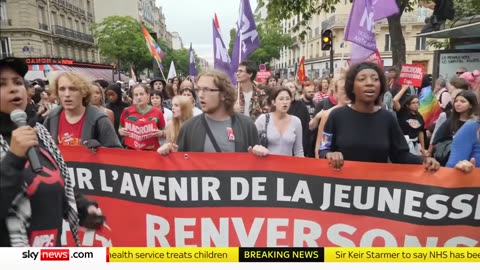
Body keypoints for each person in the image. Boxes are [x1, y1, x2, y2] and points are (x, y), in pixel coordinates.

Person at [0, 57, 103, 247]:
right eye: (2, 84)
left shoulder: (40, 134)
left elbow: (52, 185)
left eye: (17, 82)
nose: (14, 89)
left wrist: (82, 208)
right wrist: (13, 158)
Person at [318, 62, 440, 171]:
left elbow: (401, 155)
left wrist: (423, 160)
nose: (370, 83)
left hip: (377, 191)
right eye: (362, 79)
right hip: (344, 189)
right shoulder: (336, 116)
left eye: (375, 79)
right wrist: (329, 154)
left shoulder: (388, 118)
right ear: (352, 87)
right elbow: (323, 149)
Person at [158, 70, 267, 156]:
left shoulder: (246, 125)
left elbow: (256, 172)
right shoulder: (188, 128)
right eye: (198, 89)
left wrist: (260, 153)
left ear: (224, 94)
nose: (200, 95)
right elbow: (182, 169)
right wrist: (169, 155)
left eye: (207, 90)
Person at [43, 72, 122, 148]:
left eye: (73, 89)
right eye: (62, 89)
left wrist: (101, 151)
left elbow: (118, 155)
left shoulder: (100, 120)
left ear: (84, 92)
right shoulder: (52, 118)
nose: (67, 94)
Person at [255, 87, 304, 157]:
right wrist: (257, 148)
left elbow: (298, 150)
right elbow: (251, 142)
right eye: (281, 99)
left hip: (287, 165)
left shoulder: (296, 121)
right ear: (273, 102)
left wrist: (302, 166)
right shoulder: (263, 119)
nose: (285, 102)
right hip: (266, 165)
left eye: (287, 99)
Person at [119, 84, 165, 151]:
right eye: (136, 95)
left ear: (148, 95)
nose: (139, 97)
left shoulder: (158, 112)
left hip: (151, 151)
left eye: (141, 94)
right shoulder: (126, 111)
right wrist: (121, 131)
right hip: (132, 151)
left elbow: (164, 131)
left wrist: (161, 133)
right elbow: (120, 128)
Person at [393, 86, 427, 156]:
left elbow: (420, 132)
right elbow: (395, 100)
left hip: (415, 145)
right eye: (413, 103)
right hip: (404, 145)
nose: (416, 105)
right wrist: (404, 88)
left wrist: (423, 148)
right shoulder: (403, 112)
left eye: (417, 103)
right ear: (408, 105)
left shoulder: (419, 116)